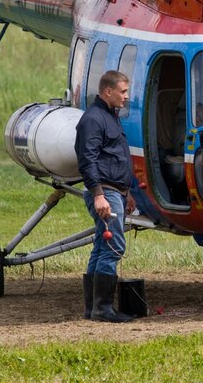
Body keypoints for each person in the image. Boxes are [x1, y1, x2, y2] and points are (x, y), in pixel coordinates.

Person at [75, 70, 137, 323]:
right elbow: (87, 160)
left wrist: (128, 193)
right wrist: (99, 195)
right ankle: (103, 309)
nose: (127, 97)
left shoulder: (110, 116)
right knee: (114, 246)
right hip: (105, 193)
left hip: (117, 192)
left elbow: (116, 157)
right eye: (123, 92)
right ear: (108, 91)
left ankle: (94, 309)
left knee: (102, 245)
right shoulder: (93, 119)